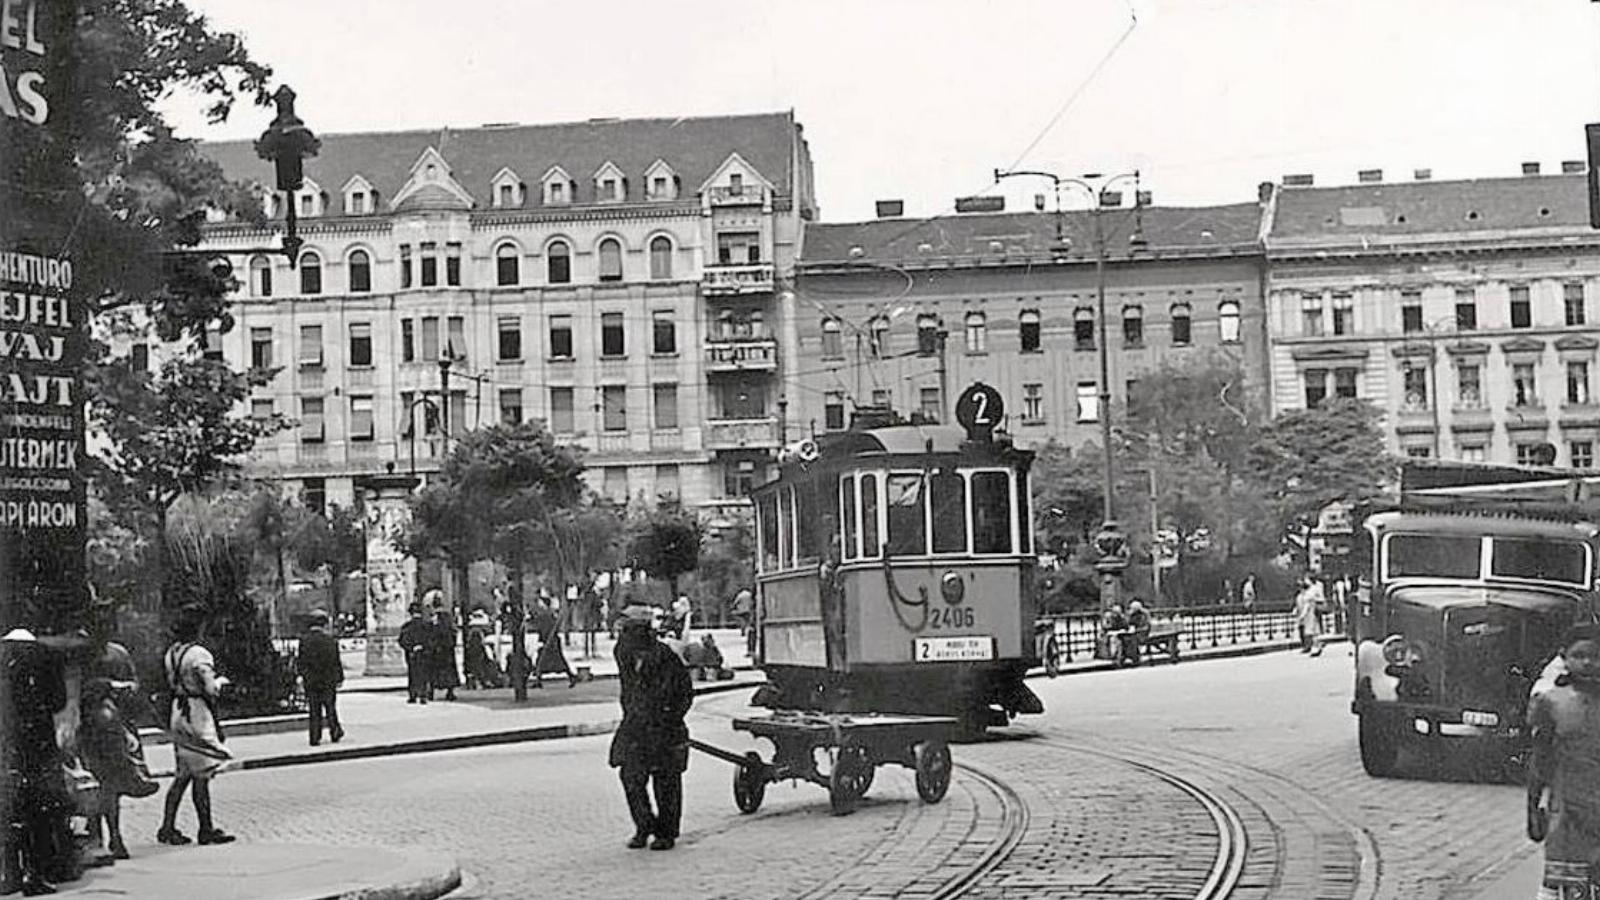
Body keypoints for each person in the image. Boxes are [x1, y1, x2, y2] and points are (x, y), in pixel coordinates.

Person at [1526, 622, 1600, 900]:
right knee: (1565, 887)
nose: (1587, 662)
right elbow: (1539, 759)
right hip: (1568, 812)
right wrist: (1533, 808)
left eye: (1595, 656)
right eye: (1579, 655)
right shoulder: (1550, 702)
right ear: (1564, 657)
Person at [608, 613, 693, 851]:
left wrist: (670, 717)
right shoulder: (625, 656)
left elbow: (685, 693)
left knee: (666, 782)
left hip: (665, 728)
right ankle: (644, 825)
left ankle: (666, 833)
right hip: (635, 727)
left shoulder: (666, 658)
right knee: (630, 776)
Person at [79, 617, 159, 863]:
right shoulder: (82, 655)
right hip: (91, 724)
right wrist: (109, 685)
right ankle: (99, 837)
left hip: (116, 723)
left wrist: (127, 689)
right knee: (97, 784)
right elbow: (79, 689)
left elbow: (134, 682)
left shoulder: (118, 653)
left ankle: (110, 836)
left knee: (110, 784)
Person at [2, 627, 74, 895]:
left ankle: (9, 874)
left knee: (9, 808)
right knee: (39, 807)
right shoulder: (44, 657)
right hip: (36, 742)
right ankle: (36, 873)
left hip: (4, 741)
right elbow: (58, 702)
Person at [157, 610, 237, 846]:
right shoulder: (199, 654)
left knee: (183, 774)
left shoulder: (172, 653)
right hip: (197, 714)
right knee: (201, 774)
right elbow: (210, 689)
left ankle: (168, 826)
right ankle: (206, 828)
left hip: (178, 711)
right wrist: (222, 682)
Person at [296, 610, 344, 745]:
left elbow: (301, 661)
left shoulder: (304, 641)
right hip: (328, 680)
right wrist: (339, 678)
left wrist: (302, 676)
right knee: (330, 707)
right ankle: (334, 731)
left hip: (311, 680)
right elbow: (336, 661)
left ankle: (315, 736)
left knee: (314, 709)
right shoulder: (330, 641)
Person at [531, 596, 577, 689]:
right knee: (541, 661)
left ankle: (571, 676)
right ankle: (538, 680)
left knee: (556, 661)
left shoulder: (546, 614)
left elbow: (546, 627)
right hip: (549, 640)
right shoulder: (546, 614)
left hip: (551, 641)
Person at [399, 602, 431, 704]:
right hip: (424, 652)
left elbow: (402, 640)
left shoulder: (407, 626)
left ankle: (413, 694)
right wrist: (424, 646)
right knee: (424, 674)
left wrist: (411, 648)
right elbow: (431, 639)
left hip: (411, 653)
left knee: (412, 674)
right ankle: (423, 694)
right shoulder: (426, 626)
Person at [429, 604, 461, 702]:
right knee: (449, 672)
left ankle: (431, 692)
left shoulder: (434, 625)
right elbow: (453, 637)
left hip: (437, 652)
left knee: (434, 672)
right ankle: (450, 691)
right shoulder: (448, 625)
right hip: (447, 652)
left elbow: (431, 637)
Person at [462, 608, 498, 690]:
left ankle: (480, 681)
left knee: (478, 665)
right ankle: (483, 681)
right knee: (481, 664)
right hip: (478, 650)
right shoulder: (478, 631)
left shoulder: (472, 630)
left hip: (475, 650)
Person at [1293, 577, 1325, 656]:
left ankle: (1315, 647)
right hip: (1313, 613)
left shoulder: (1309, 594)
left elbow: (1306, 607)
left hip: (1309, 615)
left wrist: (1302, 616)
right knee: (1314, 632)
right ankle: (1316, 646)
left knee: (1310, 632)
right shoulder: (1313, 591)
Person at [1125, 599, 1151, 666]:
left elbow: (1146, 626)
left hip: (1143, 634)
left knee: (1133, 640)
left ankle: (1135, 659)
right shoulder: (1132, 615)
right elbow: (1128, 623)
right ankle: (1129, 656)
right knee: (1126, 639)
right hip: (1133, 632)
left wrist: (1137, 630)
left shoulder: (1144, 614)